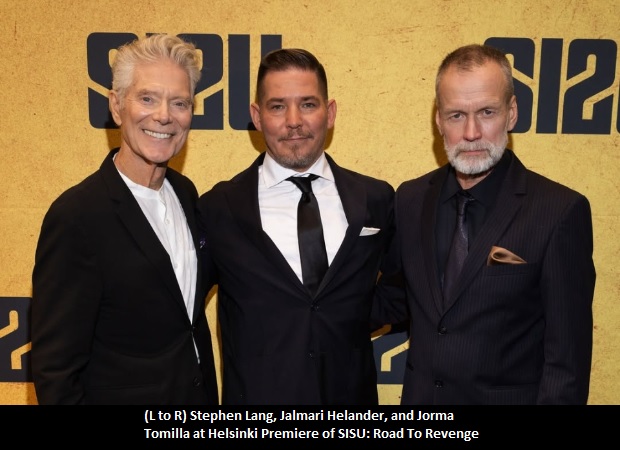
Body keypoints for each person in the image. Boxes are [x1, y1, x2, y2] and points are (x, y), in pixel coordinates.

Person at [373, 44, 596, 405]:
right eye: (456, 115)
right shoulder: (410, 199)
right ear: (438, 121)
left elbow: (566, 364)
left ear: (512, 113)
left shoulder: (559, 211)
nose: (472, 132)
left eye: (487, 112)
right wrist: (311, 309)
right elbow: (397, 298)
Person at [197, 48, 394, 405]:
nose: (293, 121)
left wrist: (350, 317)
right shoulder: (218, 208)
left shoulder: (376, 198)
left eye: (307, 104)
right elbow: (182, 307)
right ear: (257, 116)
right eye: (277, 106)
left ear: (329, 113)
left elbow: (405, 285)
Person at [31, 33, 219, 405]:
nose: (164, 115)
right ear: (116, 107)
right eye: (147, 98)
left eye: (179, 102)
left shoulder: (185, 193)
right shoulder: (77, 216)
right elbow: (56, 373)